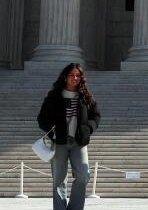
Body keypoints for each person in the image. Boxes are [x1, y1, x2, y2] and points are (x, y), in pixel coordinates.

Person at [37, 64, 101, 210]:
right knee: (59, 180)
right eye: (72, 75)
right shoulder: (54, 96)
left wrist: (88, 129)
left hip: (79, 142)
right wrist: (52, 132)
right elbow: (42, 118)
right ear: (65, 76)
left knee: (84, 176)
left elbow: (96, 116)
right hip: (59, 142)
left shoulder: (86, 96)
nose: (75, 78)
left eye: (78, 75)